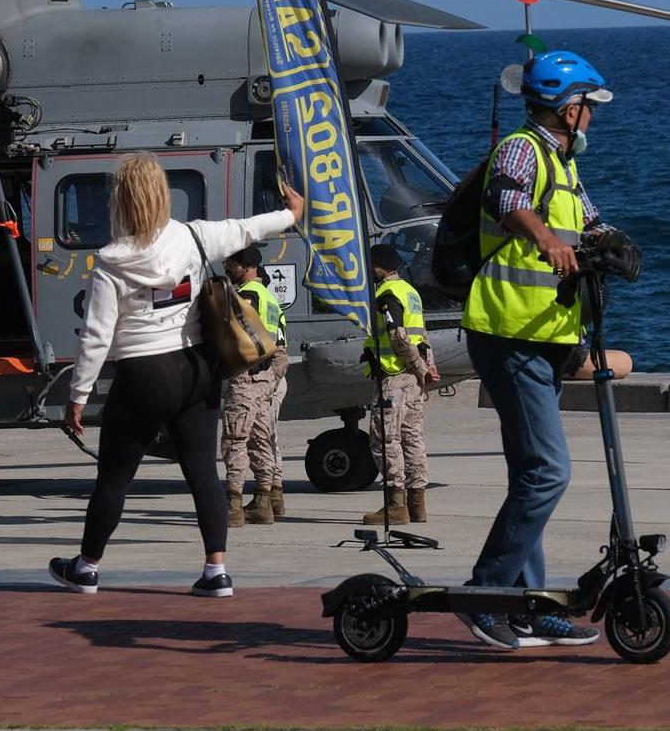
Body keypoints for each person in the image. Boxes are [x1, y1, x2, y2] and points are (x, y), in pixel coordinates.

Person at [50, 155, 303, 598]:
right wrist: (290, 214)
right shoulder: (192, 236)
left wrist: (78, 394)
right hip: (196, 368)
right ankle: (215, 572)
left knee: (114, 477)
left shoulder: (110, 261)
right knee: (203, 471)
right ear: (162, 195)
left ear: (122, 202)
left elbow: (96, 334)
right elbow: (247, 229)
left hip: (143, 374)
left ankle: (86, 567)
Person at [457, 49, 622, 651]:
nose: (592, 117)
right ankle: (487, 594)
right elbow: (506, 201)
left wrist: (612, 241)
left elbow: (590, 220)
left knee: (532, 473)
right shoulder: (522, 150)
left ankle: (527, 605)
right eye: (588, 106)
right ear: (567, 107)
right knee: (549, 470)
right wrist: (548, 240)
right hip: (508, 336)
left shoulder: (563, 164)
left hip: (544, 339)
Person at [362, 242, 438, 526]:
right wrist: (427, 368)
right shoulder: (411, 293)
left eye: (372, 265)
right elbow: (423, 335)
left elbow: (399, 336)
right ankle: (417, 503)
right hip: (413, 380)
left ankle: (395, 504)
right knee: (412, 439)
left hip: (393, 375)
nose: (369, 271)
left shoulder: (387, 294)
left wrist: (417, 366)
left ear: (383, 266)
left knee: (384, 439)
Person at [221, 244, 286, 527]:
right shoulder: (270, 299)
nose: (227, 268)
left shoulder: (246, 295)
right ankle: (263, 502)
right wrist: (271, 381)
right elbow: (281, 350)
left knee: (235, 441)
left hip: (246, 379)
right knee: (262, 441)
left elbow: (236, 336)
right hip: (265, 381)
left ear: (246, 265)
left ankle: (232, 505)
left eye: (232, 264)